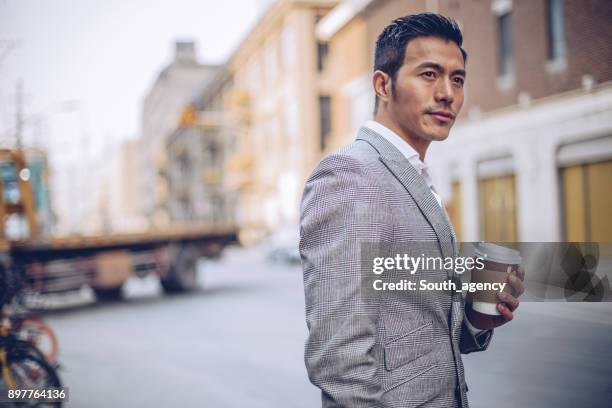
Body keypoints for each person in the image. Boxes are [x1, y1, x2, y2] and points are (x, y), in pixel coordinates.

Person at [299, 13, 525, 407]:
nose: (447, 93)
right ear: (383, 84)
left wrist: (474, 320)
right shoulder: (352, 175)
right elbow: (341, 362)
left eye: (457, 79)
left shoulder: (412, 173)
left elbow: (414, 332)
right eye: (428, 74)